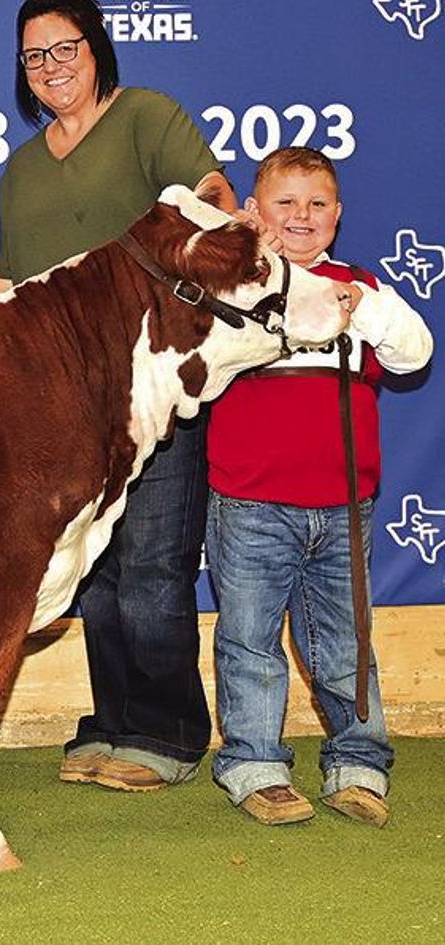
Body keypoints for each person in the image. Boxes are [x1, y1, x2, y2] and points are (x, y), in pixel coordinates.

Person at [0, 0, 237, 792]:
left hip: (154, 389)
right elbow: (9, 282)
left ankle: (168, 728)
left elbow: (213, 203)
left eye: (65, 48)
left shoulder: (148, 118)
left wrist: (187, 218)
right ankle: (116, 718)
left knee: (156, 566)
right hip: (64, 410)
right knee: (92, 569)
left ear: (95, 48)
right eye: (35, 56)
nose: (51, 66)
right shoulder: (23, 167)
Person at [206, 147, 432, 826]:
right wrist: (249, 265)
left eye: (317, 204)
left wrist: (361, 308)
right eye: (285, 202)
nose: (301, 216)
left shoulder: (357, 285)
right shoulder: (235, 285)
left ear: (337, 214)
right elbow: (200, 361)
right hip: (250, 500)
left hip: (343, 507)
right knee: (248, 640)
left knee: (344, 642)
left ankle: (358, 762)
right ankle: (254, 763)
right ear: (256, 210)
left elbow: (413, 351)